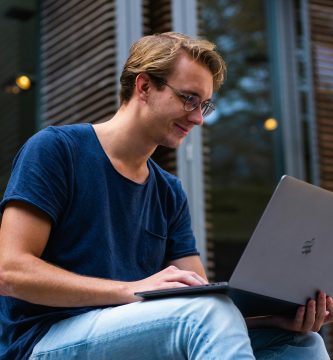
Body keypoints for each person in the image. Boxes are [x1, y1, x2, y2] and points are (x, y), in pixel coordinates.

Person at [0, 32, 331, 360]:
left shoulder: (169, 191)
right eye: (189, 99)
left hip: (135, 336)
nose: (198, 118)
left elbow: (202, 299)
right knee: (205, 313)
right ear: (144, 87)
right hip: (43, 341)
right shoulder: (57, 150)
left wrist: (275, 318)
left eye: (204, 105)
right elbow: (9, 272)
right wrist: (130, 290)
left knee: (300, 343)